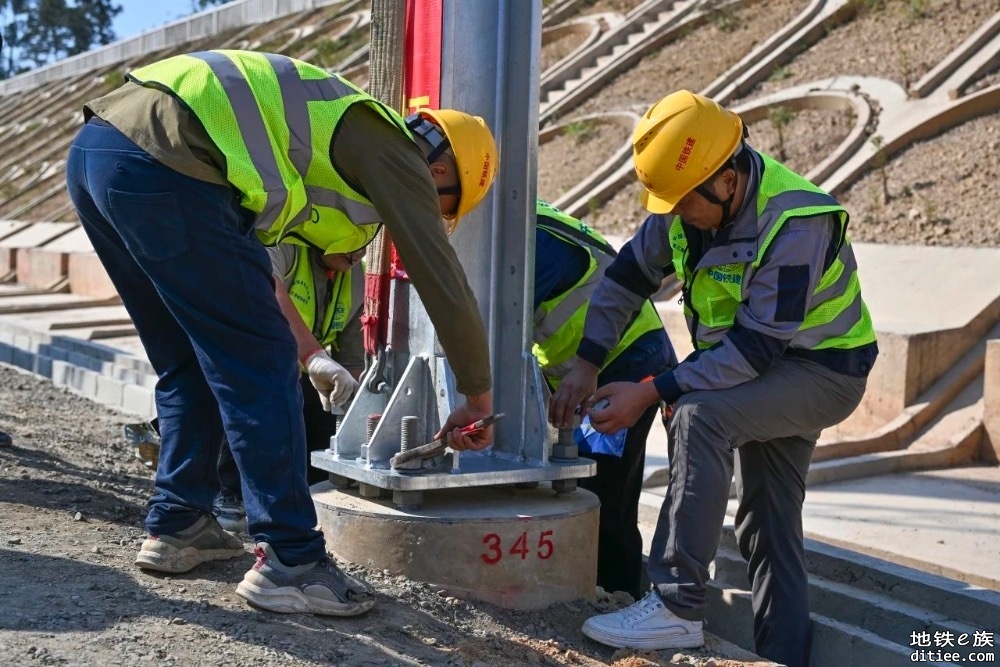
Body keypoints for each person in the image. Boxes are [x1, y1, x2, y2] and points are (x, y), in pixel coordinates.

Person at [65, 49, 499, 618]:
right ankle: (292, 561)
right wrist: (478, 393)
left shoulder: (325, 133)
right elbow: (441, 277)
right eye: (442, 205)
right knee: (264, 360)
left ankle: (179, 522)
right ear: (439, 171)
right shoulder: (396, 154)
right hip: (167, 163)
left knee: (188, 358)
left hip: (100, 151)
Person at [549, 90, 877, 666]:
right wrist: (588, 361)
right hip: (768, 364)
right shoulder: (687, 203)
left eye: (683, 203)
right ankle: (784, 657)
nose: (675, 214)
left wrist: (655, 390)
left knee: (701, 416)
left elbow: (756, 349)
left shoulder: (796, 221)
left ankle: (676, 606)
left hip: (822, 370)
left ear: (726, 180)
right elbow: (626, 277)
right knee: (768, 526)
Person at [532, 200, 675, 599]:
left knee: (603, 498)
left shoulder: (530, 244)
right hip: (598, 365)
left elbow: (494, 332)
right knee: (590, 489)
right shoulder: (525, 224)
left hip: (626, 364)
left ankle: (617, 597)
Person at [213, 243, 367, 533]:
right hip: (245, 363)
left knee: (322, 422)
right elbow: (268, 289)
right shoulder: (284, 249)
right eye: (352, 237)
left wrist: (354, 408)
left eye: (365, 241)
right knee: (254, 409)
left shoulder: (355, 277)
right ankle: (228, 492)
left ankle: (305, 497)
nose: (358, 250)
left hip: (299, 374)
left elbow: (352, 361)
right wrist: (314, 356)